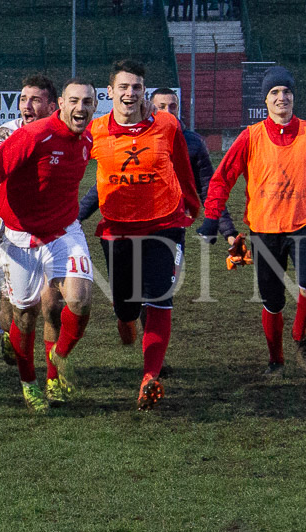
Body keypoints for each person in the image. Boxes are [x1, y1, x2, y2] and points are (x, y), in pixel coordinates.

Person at [200, 65, 306, 378]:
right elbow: (222, 178)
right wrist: (211, 216)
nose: (281, 97)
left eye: (286, 91)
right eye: (274, 92)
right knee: (272, 301)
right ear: (265, 100)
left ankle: (300, 336)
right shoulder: (251, 136)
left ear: (293, 96)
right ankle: (276, 361)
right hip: (264, 229)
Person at [0, 78, 97, 414]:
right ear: (61, 104)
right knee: (25, 316)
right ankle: (29, 383)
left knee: (79, 299)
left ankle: (58, 363)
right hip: (20, 237)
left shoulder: (89, 137)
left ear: (94, 106)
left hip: (64, 231)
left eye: (87, 102)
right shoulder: (32, 136)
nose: (81, 107)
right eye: (74, 101)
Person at [79, 86, 237, 348]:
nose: (167, 111)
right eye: (161, 106)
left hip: (169, 227)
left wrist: (226, 230)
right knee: (131, 298)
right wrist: (76, 217)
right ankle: (127, 317)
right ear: (149, 106)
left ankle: (152, 360)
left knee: (159, 294)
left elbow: (208, 187)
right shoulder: (136, 136)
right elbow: (105, 186)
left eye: (173, 106)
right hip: (127, 227)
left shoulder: (192, 142)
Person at [89, 60, 201, 410]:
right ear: (110, 92)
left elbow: (183, 167)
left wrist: (192, 206)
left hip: (164, 225)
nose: (130, 93)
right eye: (123, 87)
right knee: (127, 308)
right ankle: (125, 321)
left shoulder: (166, 125)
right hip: (117, 230)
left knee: (159, 300)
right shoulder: (95, 131)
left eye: (136, 87)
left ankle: (149, 378)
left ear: (144, 91)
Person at [0, 75, 65, 380]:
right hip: (8, 234)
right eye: (23, 99)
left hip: (52, 232)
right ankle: (9, 334)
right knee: (13, 308)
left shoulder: (63, 133)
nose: (27, 106)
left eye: (35, 100)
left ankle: (54, 376)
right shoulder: (7, 133)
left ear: (52, 106)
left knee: (53, 304)